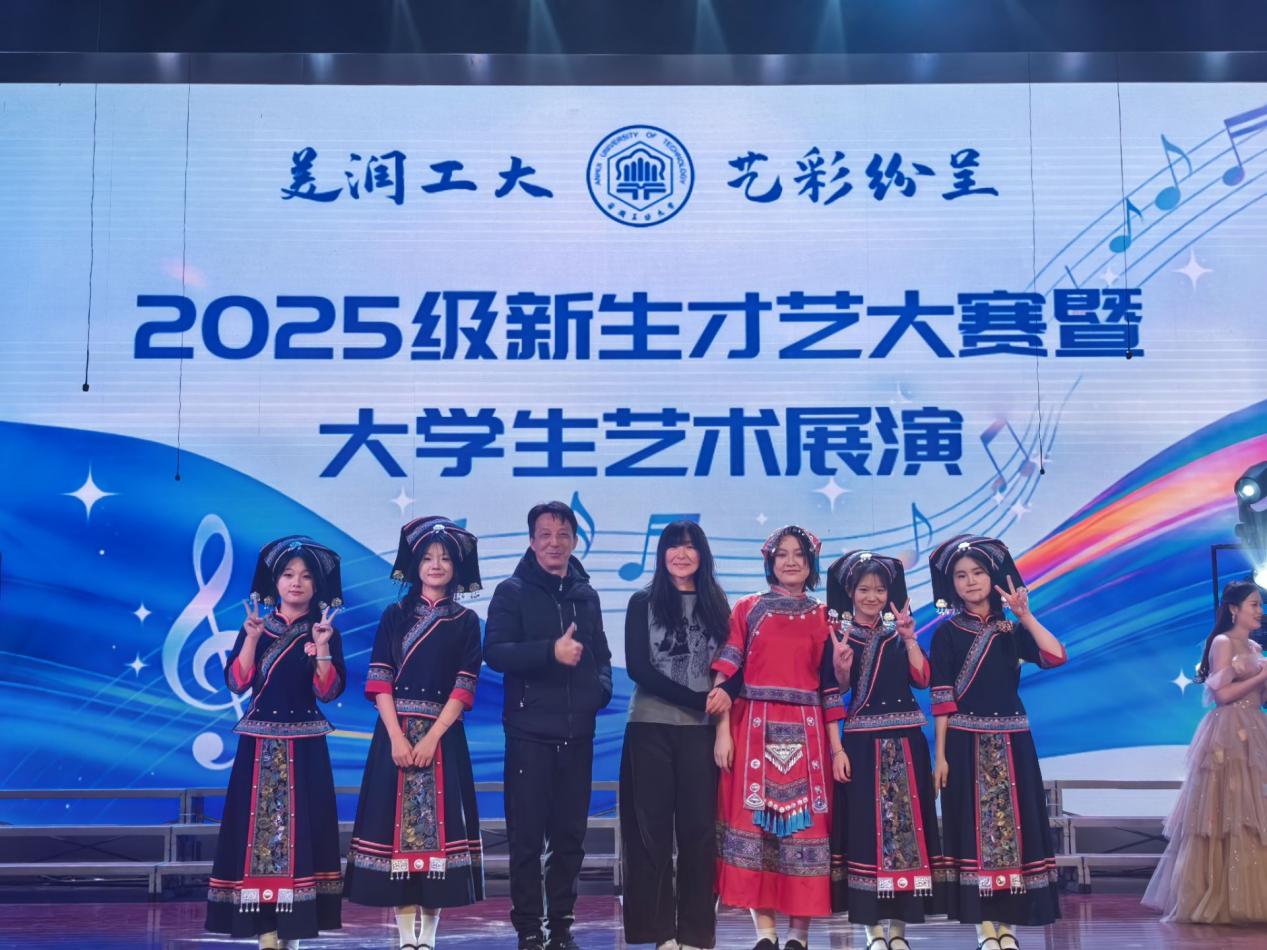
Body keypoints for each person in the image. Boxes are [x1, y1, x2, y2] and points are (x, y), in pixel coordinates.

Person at [344, 517, 486, 949]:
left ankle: (430, 938)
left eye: (444, 558)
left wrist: (431, 737)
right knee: (395, 842)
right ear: (414, 565)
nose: (436, 565)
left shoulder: (466, 621)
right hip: (396, 736)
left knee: (438, 841)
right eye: (427, 557)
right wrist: (396, 736)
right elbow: (380, 680)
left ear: (456, 568)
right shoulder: (394, 616)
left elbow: (464, 686)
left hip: (443, 738)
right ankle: (407, 938)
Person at [484, 501, 614, 950]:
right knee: (526, 839)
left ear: (575, 541)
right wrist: (549, 652)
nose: (554, 543)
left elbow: (601, 654)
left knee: (570, 838)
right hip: (529, 734)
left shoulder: (586, 594)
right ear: (531, 540)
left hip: (578, 734)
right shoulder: (512, 592)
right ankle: (528, 929)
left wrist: (599, 691)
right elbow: (495, 652)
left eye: (563, 534)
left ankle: (561, 927)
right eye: (545, 534)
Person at [205, 536, 346, 950]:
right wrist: (250, 638)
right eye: (287, 574)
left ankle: (294, 938)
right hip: (258, 748)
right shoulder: (257, 628)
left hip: (305, 749)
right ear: (275, 582)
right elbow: (237, 682)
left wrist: (322, 648)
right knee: (259, 839)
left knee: (302, 838)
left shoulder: (324, 630)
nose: (296, 582)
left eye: (305, 576)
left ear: (317, 586)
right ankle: (266, 938)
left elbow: (328, 691)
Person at [711, 525, 846, 950]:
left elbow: (833, 686)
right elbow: (727, 673)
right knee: (755, 832)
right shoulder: (747, 609)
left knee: (805, 835)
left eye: (799, 555)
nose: (791, 561)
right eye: (782, 554)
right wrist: (722, 733)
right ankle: (765, 934)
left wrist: (837, 746)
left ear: (811, 564)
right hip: (752, 728)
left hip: (809, 733)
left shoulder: (827, 616)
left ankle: (798, 937)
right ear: (770, 562)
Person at [928, 535, 1065, 950]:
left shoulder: (1012, 629)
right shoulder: (946, 633)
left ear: (993, 578)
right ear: (952, 585)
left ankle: (1009, 928)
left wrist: (1026, 616)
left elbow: (1056, 656)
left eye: (978, 573)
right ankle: (984, 929)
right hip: (965, 745)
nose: (970, 581)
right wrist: (940, 755)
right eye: (961, 576)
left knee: (1013, 835)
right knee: (973, 835)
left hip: (1012, 743)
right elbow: (942, 699)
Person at [619, 520, 733, 950]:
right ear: (661, 553)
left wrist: (721, 703)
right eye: (673, 546)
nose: (681, 555)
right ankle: (660, 933)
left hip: (701, 735)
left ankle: (696, 935)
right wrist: (700, 700)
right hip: (650, 727)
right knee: (651, 834)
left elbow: (732, 663)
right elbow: (639, 668)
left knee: (699, 832)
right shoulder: (643, 601)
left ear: (702, 555)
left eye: (690, 547)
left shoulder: (717, 603)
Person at [826, 551, 948, 950]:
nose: (872, 597)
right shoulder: (839, 638)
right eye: (864, 589)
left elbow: (923, 679)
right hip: (861, 746)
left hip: (907, 744)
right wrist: (840, 669)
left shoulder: (899, 635)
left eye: (879, 590)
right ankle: (872, 932)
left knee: (906, 834)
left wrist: (910, 639)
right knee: (866, 834)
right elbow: (834, 694)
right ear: (850, 593)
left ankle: (899, 932)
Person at [1143, 579, 1267, 924]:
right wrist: (1260, 677)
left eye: (1260, 605)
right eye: (1254, 604)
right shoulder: (1223, 643)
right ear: (1234, 609)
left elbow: (1258, 697)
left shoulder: (1254, 647)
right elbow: (1222, 695)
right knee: (1226, 812)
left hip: (1254, 729)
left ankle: (1252, 895)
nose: (1260, 611)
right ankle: (1219, 896)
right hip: (1228, 732)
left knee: (1253, 812)